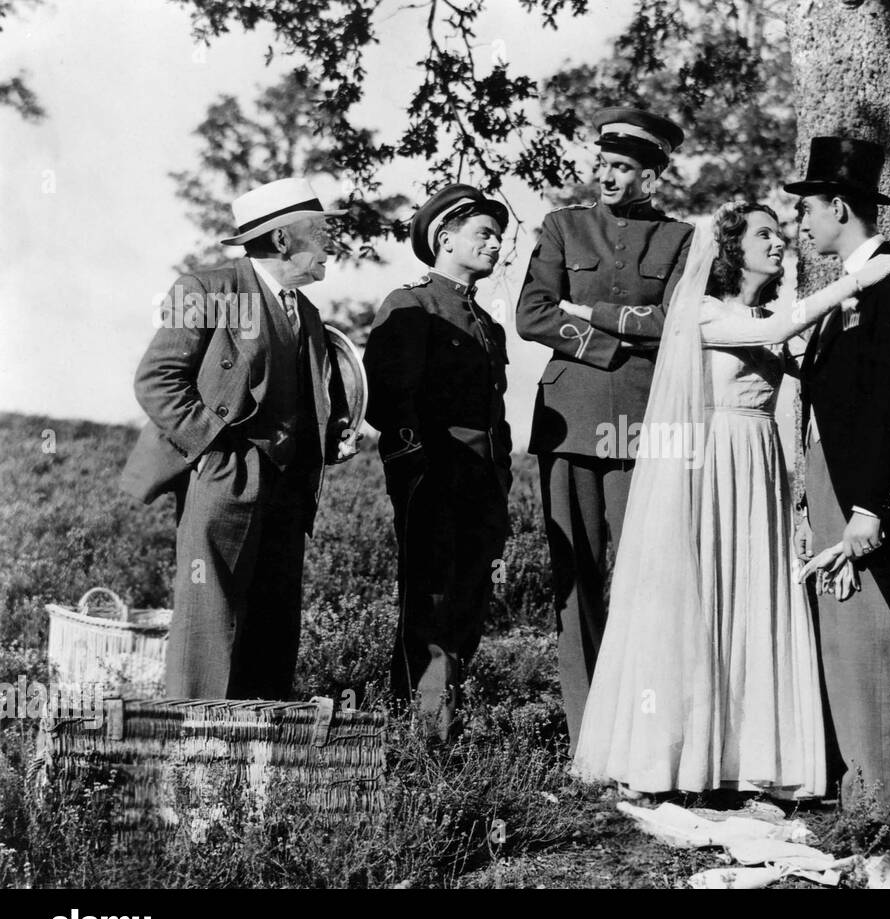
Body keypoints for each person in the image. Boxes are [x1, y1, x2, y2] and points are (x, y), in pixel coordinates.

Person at [570, 200, 890, 796]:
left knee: (755, 596)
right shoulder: (699, 312)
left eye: (781, 234)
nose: (779, 243)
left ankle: (747, 756)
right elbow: (772, 333)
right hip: (711, 465)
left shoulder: (771, 313)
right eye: (764, 234)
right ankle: (678, 757)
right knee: (704, 599)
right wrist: (856, 280)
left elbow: (802, 364)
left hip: (760, 464)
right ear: (731, 248)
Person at [120, 176, 358, 700]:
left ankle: (259, 757)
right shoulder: (205, 289)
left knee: (273, 621)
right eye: (319, 233)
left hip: (289, 486)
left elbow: (307, 399)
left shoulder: (310, 315)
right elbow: (157, 379)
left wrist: (333, 437)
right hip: (222, 476)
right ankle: (197, 748)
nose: (330, 246)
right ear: (281, 240)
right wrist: (210, 448)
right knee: (210, 615)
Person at [516, 106, 694, 747]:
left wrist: (592, 311)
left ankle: (647, 731)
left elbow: (676, 322)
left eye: (623, 168)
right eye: (604, 165)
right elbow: (532, 314)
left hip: (649, 425)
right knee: (577, 579)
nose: (608, 178)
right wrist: (610, 344)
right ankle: (587, 733)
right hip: (570, 423)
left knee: (651, 578)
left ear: (652, 175)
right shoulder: (564, 227)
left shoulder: (681, 239)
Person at [790, 137, 890, 829]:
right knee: (843, 637)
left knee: (878, 641)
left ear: (838, 207)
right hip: (831, 479)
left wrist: (868, 506)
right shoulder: (842, 292)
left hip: (870, 490)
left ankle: (889, 812)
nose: (800, 224)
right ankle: (860, 793)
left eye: (807, 211)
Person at [363, 184, 513, 738]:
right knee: (430, 602)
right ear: (444, 239)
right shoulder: (412, 304)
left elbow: (495, 414)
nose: (495, 245)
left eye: (499, 236)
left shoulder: (487, 325)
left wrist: (499, 477)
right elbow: (387, 399)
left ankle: (442, 727)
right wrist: (416, 468)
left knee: (469, 605)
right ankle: (421, 737)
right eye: (483, 234)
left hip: (482, 481)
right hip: (435, 477)